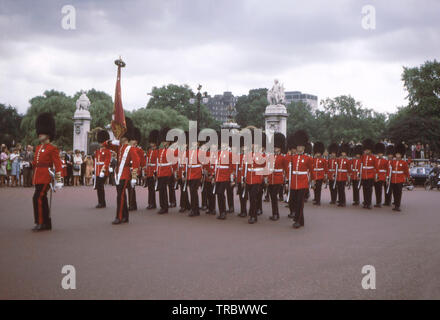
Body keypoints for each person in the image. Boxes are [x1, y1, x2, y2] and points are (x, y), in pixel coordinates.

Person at [103, 117, 140, 224]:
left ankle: (119, 217)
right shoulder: (119, 148)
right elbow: (106, 145)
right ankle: (125, 216)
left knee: (121, 196)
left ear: (126, 136)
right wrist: (111, 140)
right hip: (118, 174)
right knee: (121, 195)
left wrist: (134, 176)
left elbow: (136, 162)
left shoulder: (131, 148)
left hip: (125, 174)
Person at [32, 113, 63, 231]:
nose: (40, 134)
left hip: (46, 177)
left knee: (38, 197)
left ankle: (40, 222)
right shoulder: (38, 148)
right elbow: (36, 162)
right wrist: (29, 164)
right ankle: (46, 223)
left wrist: (59, 180)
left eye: (42, 132)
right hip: (37, 176)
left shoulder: (52, 148)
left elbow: (58, 164)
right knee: (42, 198)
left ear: (48, 134)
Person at [285, 130, 313, 229]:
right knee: (293, 201)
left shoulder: (308, 158)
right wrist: (288, 181)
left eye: (301, 147)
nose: (299, 148)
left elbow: (311, 170)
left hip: (303, 182)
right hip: (294, 182)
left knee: (299, 202)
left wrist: (312, 181)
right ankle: (301, 221)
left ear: (304, 148)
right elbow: (289, 170)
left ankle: (297, 220)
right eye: (298, 147)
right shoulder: (293, 157)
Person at [245, 129, 266, 224]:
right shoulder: (248, 154)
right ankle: (252, 213)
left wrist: (263, 178)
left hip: (257, 179)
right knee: (251, 197)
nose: (253, 146)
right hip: (249, 178)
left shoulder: (262, 155)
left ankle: (253, 216)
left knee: (253, 197)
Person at [266, 132, 286, 220]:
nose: (275, 149)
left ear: (280, 148)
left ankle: (275, 214)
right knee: (272, 197)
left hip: (278, 179)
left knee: (274, 196)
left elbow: (286, 169)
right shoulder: (270, 156)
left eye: (277, 147)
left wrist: (286, 179)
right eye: (274, 147)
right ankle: (275, 213)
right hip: (271, 178)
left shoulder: (283, 158)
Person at [214, 133, 233, 220]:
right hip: (218, 176)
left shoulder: (229, 154)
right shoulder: (218, 153)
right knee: (218, 193)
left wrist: (231, 179)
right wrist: (214, 176)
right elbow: (216, 166)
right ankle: (222, 211)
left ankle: (223, 212)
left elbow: (231, 167)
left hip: (225, 176)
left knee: (221, 192)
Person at [156, 127, 174, 214]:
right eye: (163, 141)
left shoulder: (171, 150)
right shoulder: (160, 150)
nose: (164, 143)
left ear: (169, 141)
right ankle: (162, 205)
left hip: (166, 171)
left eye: (165, 141)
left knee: (163, 189)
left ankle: (165, 207)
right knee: (161, 189)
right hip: (160, 171)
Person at [387, 143, 410, 212]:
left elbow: (406, 171)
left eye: (399, 154)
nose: (397, 155)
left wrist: (407, 178)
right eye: (397, 154)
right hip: (393, 179)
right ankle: (395, 204)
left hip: (400, 179)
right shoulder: (392, 162)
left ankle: (398, 206)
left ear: (401, 155)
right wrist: (388, 178)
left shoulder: (404, 163)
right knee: (394, 192)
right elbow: (389, 170)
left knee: (399, 193)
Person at [128, 127, 145, 211]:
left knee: (132, 187)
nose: (134, 141)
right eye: (132, 139)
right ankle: (131, 203)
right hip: (127, 169)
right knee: (128, 187)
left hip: (134, 170)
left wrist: (141, 171)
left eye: (135, 140)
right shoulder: (127, 149)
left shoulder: (139, 150)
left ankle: (132, 204)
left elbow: (142, 161)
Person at [94, 130, 111, 208]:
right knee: (98, 187)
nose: (100, 144)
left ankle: (102, 202)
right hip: (98, 171)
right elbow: (96, 161)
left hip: (103, 171)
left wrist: (103, 170)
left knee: (100, 186)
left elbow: (107, 161)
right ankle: (100, 202)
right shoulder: (97, 151)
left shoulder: (107, 151)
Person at [145, 130, 159, 210]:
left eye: (152, 143)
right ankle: (150, 203)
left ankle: (153, 203)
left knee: (153, 188)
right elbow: (147, 162)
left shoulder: (157, 151)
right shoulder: (149, 151)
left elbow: (157, 162)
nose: (151, 144)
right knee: (150, 188)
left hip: (153, 171)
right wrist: (146, 172)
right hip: (149, 171)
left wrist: (155, 172)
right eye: (151, 142)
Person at [311, 141, 327, 206]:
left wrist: (325, 175)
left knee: (318, 188)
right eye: (317, 153)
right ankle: (315, 198)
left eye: (319, 153)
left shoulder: (323, 160)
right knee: (314, 188)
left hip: (320, 176)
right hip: (314, 175)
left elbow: (325, 168)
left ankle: (318, 200)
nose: (318, 154)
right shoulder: (313, 159)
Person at [373, 142, 387, 208]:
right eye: (378, 153)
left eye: (380, 153)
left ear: (382, 153)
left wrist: (386, 176)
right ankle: (377, 202)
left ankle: (379, 202)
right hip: (376, 176)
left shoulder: (385, 160)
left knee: (380, 189)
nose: (379, 154)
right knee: (376, 190)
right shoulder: (375, 160)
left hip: (382, 176)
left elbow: (386, 169)